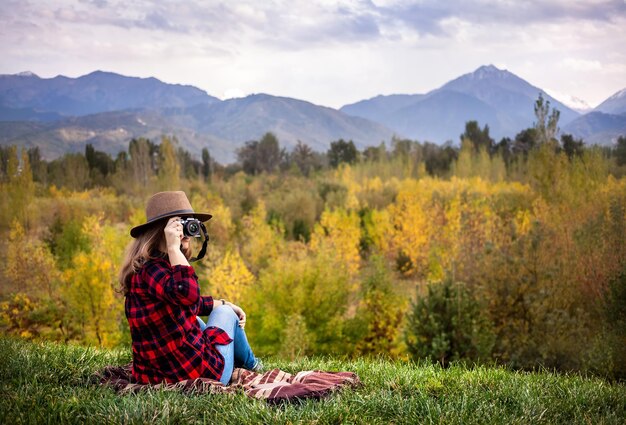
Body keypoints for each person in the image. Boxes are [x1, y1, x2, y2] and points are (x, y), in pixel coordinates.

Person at [119, 191, 261, 385]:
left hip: (153, 376)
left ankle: (246, 360)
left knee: (210, 312)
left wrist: (223, 302)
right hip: (200, 375)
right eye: (180, 223)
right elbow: (188, 294)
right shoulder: (157, 269)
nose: (188, 229)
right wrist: (173, 249)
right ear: (162, 230)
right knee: (226, 314)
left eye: (190, 222)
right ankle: (253, 365)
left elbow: (187, 302)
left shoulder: (145, 267)